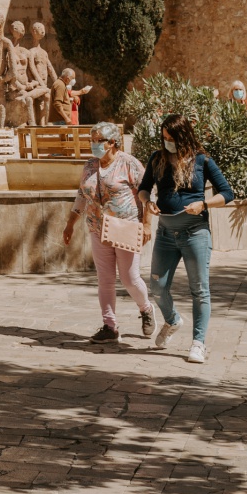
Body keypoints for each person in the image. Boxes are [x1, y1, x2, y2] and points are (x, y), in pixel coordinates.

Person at [140, 113, 234, 364]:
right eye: (164, 138)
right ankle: (172, 321)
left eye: (171, 138)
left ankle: (198, 342)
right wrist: (147, 202)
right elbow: (144, 188)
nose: (166, 142)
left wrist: (203, 204)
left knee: (200, 289)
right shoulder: (157, 158)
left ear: (183, 137)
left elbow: (227, 193)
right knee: (157, 288)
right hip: (165, 234)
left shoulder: (202, 160)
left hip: (195, 233)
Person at [63, 120, 155, 346]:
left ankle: (146, 308)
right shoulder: (90, 166)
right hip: (97, 228)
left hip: (125, 228)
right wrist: (70, 223)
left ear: (113, 142)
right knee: (105, 279)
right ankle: (110, 326)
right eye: (92, 141)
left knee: (130, 278)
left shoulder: (130, 164)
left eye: (98, 141)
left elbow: (148, 194)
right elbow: (82, 195)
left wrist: (147, 224)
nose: (94, 145)